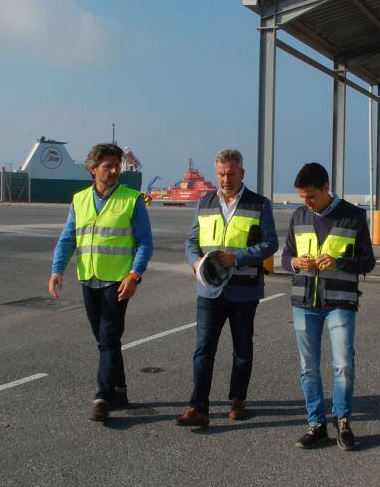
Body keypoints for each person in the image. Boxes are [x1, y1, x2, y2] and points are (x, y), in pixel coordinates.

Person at [48, 142, 153, 423]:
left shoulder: (132, 199)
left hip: (117, 283)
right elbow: (68, 237)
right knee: (105, 341)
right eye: (108, 166)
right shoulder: (79, 200)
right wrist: (57, 269)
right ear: (93, 169)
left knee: (107, 339)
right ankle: (119, 390)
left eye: (117, 165)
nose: (115, 170)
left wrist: (134, 276)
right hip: (89, 279)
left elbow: (144, 242)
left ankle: (102, 396)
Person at [176, 149, 278, 427]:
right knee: (203, 350)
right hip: (209, 291)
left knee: (242, 350)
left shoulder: (260, 204)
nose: (225, 179)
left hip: (244, 291)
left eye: (231, 173)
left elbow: (270, 244)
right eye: (221, 173)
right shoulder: (205, 201)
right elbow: (191, 241)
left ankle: (237, 401)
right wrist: (196, 263)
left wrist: (237, 258)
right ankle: (198, 408)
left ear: (242, 173)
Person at [281, 163, 375, 450]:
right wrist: (296, 263)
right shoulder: (298, 216)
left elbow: (368, 262)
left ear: (326, 187)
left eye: (311, 196)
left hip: (340, 302)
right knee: (308, 367)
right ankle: (316, 423)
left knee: (343, 365)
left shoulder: (354, 216)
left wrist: (341, 262)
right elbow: (285, 257)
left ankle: (343, 420)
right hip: (304, 302)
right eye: (302, 198)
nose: (306, 203)